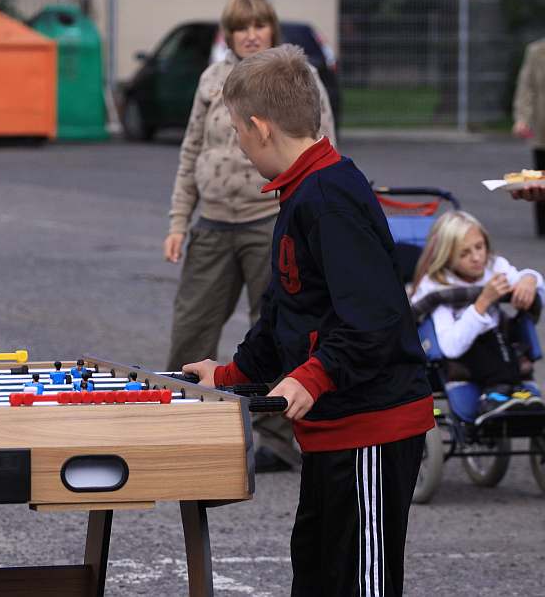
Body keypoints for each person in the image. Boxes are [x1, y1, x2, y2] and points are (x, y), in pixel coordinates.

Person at [183, 45, 432, 596]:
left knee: (360, 584)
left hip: (370, 424)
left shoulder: (330, 197)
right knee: (318, 575)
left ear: (259, 127)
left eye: (240, 135)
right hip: (328, 432)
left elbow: (374, 318)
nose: (242, 149)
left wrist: (313, 375)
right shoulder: (300, 192)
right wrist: (228, 377)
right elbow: (287, 311)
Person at [164, 0, 336, 473]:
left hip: (268, 221)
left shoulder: (295, 81)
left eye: (260, 25)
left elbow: (323, 144)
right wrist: (179, 221)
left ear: (272, 30)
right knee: (192, 326)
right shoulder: (212, 80)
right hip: (214, 221)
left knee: (279, 329)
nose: (252, 34)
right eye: (242, 27)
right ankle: (186, 428)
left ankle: (279, 437)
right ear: (230, 35)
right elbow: (190, 151)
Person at [410, 211, 544, 419]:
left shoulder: (494, 266)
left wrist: (529, 279)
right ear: (447, 257)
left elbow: (524, 281)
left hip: (498, 343)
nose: (476, 257)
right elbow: (451, 347)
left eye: (479, 247)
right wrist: (482, 302)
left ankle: (515, 390)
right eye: (464, 254)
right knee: (486, 340)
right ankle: (492, 396)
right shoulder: (437, 286)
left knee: (504, 338)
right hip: (461, 353)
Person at [512, 36, 545, 235]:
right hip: (542, 128)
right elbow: (526, 89)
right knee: (539, 179)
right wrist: (522, 119)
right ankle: (543, 229)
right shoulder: (536, 51)